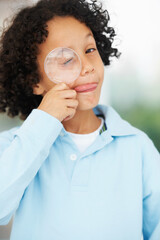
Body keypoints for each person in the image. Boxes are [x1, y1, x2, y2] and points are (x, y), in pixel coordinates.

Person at [0, 0, 159, 239]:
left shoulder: (137, 147)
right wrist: (43, 121)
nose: (86, 67)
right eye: (65, 60)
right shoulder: (15, 146)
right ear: (35, 81)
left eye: (89, 50)